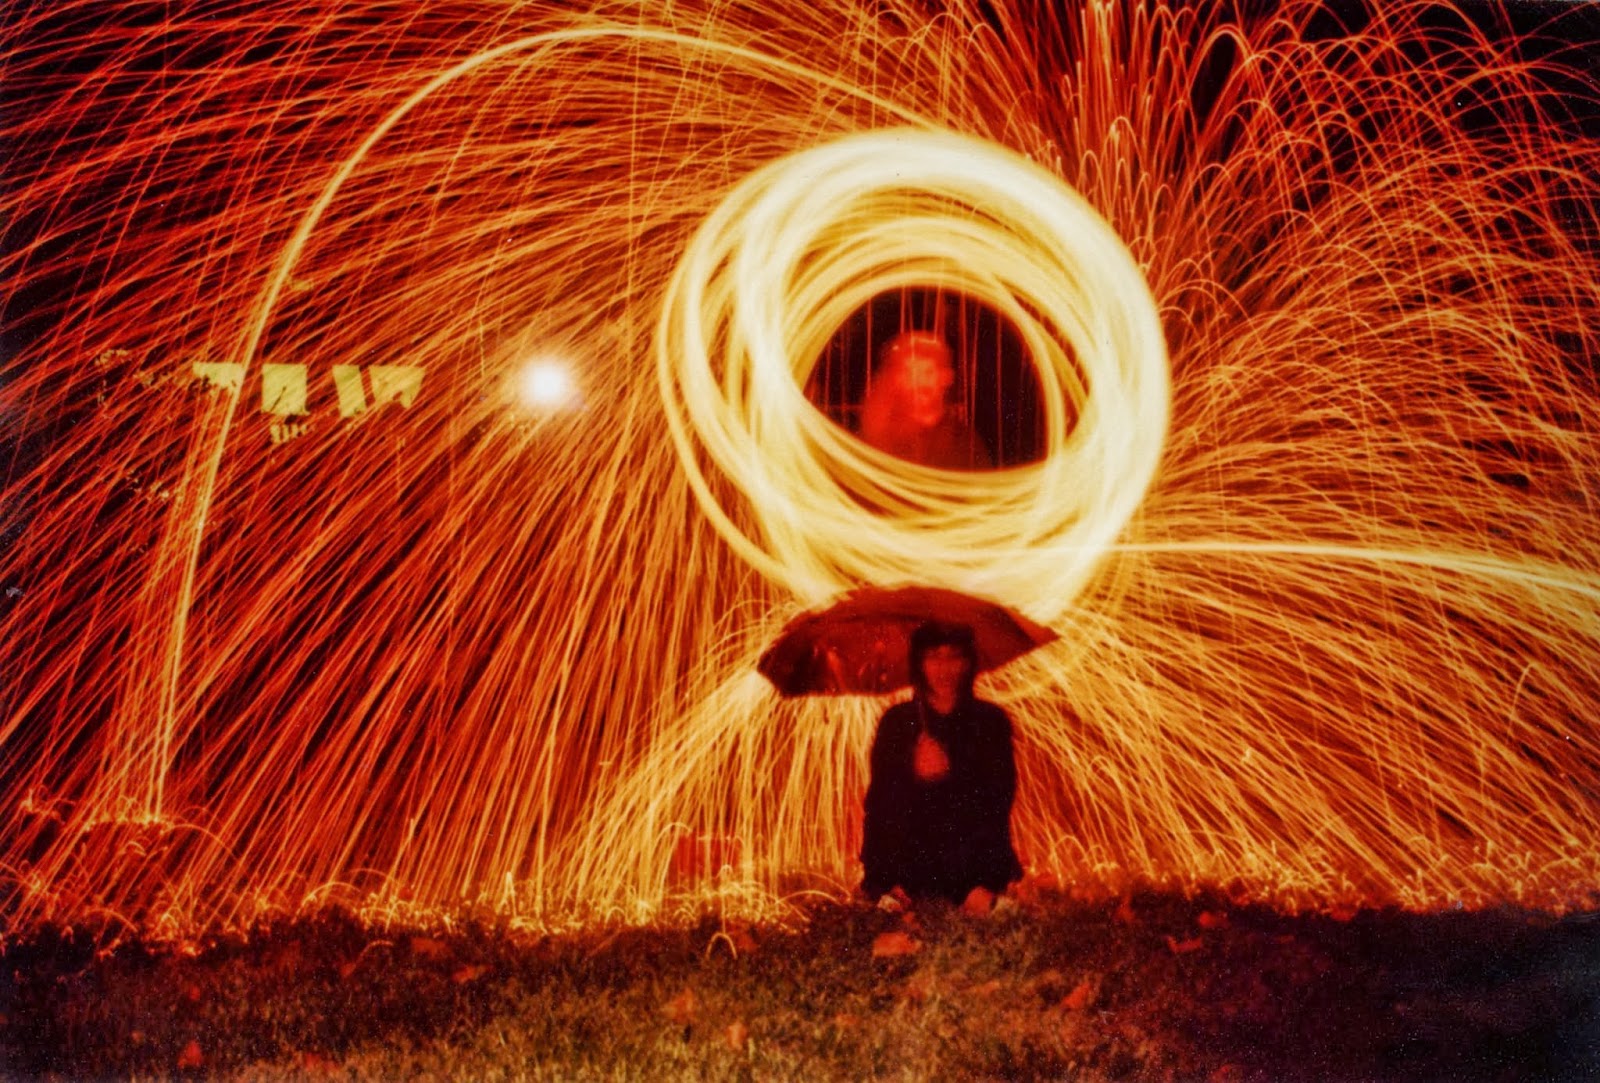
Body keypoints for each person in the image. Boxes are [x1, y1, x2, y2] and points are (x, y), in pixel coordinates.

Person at [860, 620, 1022, 913]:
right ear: (919, 663)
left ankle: (972, 891)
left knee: (970, 845)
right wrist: (915, 776)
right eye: (934, 657)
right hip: (913, 858)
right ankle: (897, 890)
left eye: (954, 657)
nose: (945, 668)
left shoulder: (990, 722)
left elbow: (999, 799)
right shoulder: (898, 723)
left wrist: (951, 774)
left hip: (973, 856)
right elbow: (881, 803)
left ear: (968, 662)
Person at [858, 330, 992, 469]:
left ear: (946, 377)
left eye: (928, 372)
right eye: (910, 373)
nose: (919, 383)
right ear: (898, 379)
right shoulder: (879, 439)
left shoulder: (967, 446)